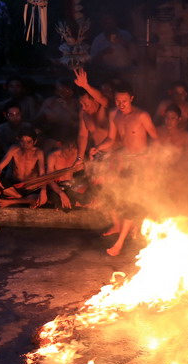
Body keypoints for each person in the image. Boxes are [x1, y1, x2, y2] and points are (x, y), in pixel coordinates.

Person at [94, 82, 158, 256]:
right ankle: (128, 230)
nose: (120, 104)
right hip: (125, 162)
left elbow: (156, 140)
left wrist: (151, 165)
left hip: (141, 164)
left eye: (124, 100)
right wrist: (98, 148)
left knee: (133, 202)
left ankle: (120, 243)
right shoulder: (115, 115)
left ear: (131, 98)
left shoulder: (142, 116)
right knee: (119, 196)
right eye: (117, 100)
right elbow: (111, 139)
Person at [0, 127, 47, 208]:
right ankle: (24, 200)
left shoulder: (38, 153)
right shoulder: (14, 149)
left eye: (29, 142)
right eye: (22, 141)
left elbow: (42, 173)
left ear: (35, 142)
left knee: (41, 198)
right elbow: (0, 166)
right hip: (14, 186)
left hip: (31, 187)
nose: (25, 144)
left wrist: (43, 190)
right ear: (18, 140)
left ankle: (11, 202)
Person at [73, 68, 110, 160]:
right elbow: (82, 135)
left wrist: (85, 86)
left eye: (86, 104)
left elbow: (101, 97)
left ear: (95, 101)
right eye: (81, 104)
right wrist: (79, 158)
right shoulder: (83, 113)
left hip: (115, 154)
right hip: (97, 153)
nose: (83, 107)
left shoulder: (106, 108)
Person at [34, 79, 80, 148]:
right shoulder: (49, 102)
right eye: (59, 89)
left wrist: (67, 108)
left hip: (71, 137)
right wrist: (45, 113)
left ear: (71, 91)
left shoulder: (76, 103)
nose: (61, 92)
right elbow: (36, 120)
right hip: (52, 136)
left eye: (64, 90)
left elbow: (81, 120)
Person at [89, 13, 135, 80]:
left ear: (116, 22)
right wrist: (103, 53)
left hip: (126, 72)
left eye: (111, 23)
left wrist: (125, 44)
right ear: (103, 25)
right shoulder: (98, 40)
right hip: (107, 74)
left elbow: (136, 56)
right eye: (107, 23)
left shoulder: (125, 35)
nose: (110, 26)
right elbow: (92, 61)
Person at [154, 82, 188, 149]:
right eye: (176, 93)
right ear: (171, 93)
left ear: (186, 94)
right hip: (164, 139)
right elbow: (154, 123)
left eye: (182, 94)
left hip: (180, 142)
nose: (179, 96)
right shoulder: (164, 105)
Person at [46, 138, 87, 210]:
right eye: (67, 148)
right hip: (57, 187)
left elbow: (85, 171)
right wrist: (61, 194)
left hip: (70, 187)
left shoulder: (78, 155)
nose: (70, 151)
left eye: (72, 148)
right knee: (56, 199)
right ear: (61, 145)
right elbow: (49, 179)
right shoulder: (53, 156)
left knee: (85, 198)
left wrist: (81, 167)